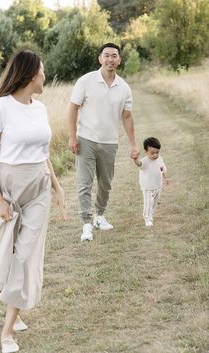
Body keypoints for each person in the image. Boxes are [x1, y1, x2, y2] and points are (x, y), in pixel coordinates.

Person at [0, 50, 66, 353]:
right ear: (31, 75)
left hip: (38, 186)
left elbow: (43, 153)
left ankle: (7, 332)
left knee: (26, 254)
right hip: (8, 184)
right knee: (5, 251)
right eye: (43, 71)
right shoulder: (0, 108)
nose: (45, 76)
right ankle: (12, 301)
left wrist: (57, 188)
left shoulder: (40, 108)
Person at [68, 43, 138, 241]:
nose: (110, 59)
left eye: (114, 56)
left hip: (109, 142)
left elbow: (127, 117)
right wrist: (73, 136)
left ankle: (99, 216)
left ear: (119, 60)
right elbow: (73, 108)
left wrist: (133, 145)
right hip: (86, 139)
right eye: (106, 55)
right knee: (85, 182)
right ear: (100, 59)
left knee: (106, 183)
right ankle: (86, 223)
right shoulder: (86, 81)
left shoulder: (124, 87)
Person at [133, 137, 169, 226]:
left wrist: (165, 178)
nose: (155, 155)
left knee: (155, 201)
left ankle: (150, 214)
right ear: (146, 151)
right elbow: (139, 164)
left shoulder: (159, 158)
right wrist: (135, 159)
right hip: (147, 186)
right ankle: (147, 218)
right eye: (152, 153)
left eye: (157, 152)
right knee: (148, 202)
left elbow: (162, 168)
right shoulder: (145, 161)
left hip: (158, 185)